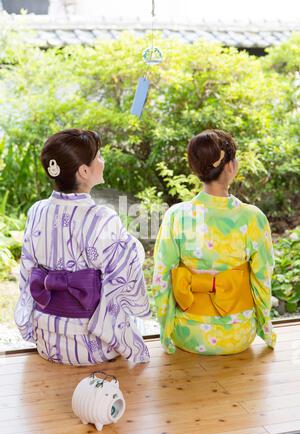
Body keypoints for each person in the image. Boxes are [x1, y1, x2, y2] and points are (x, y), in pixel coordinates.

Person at [14, 128, 151, 365]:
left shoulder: (36, 211)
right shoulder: (102, 217)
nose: (102, 161)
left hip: (47, 340)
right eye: (98, 156)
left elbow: (27, 272)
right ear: (84, 171)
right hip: (93, 346)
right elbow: (127, 271)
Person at [152, 129, 276, 355]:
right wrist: (266, 329)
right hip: (237, 336)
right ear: (229, 166)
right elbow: (262, 278)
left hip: (187, 333)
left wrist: (166, 329)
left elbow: (161, 279)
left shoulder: (176, 215)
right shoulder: (252, 217)